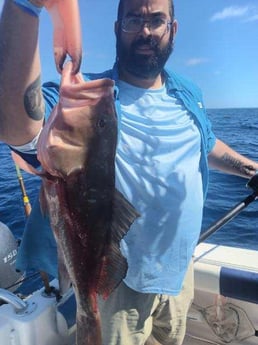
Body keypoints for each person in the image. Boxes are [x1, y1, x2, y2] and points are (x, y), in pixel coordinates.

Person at [0, 0, 257, 344]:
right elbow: (19, 126)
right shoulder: (91, 97)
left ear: (173, 29)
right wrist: (25, 8)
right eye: (133, 19)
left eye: (156, 20)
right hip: (117, 285)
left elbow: (205, 144)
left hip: (180, 272)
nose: (146, 30)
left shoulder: (187, 93)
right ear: (117, 28)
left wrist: (250, 168)